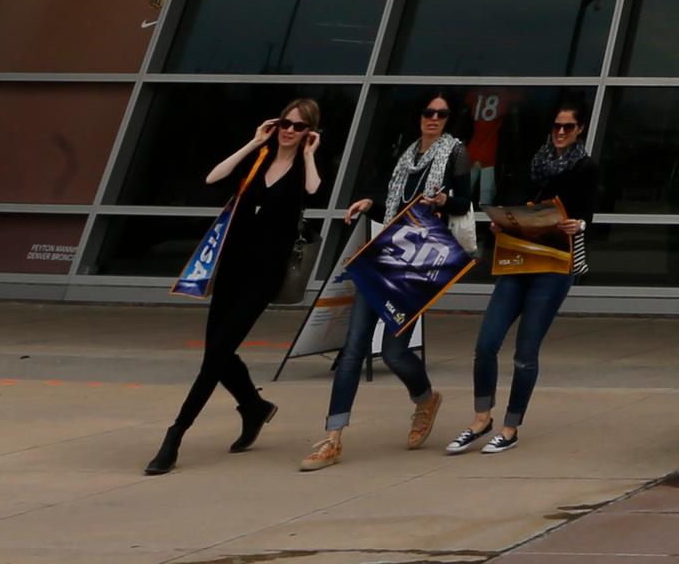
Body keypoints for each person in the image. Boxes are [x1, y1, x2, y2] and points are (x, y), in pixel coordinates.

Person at [148, 98, 322, 476]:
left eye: (299, 126)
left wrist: (309, 155)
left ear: (309, 132)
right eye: (285, 123)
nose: (289, 130)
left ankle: (175, 436)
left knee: (216, 356)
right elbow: (213, 177)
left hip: (264, 275)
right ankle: (254, 407)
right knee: (218, 351)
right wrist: (253, 142)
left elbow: (313, 192)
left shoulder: (302, 169)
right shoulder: (258, 158)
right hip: (232, 267)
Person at [303, 93, 463, 470]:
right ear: (419, 116)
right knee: (354, 347)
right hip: (385, 256)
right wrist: (368, 204)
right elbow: (397, 201)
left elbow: (466, 202)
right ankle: (333, 438)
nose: (433, 118)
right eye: (428, 112)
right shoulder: (407, 157)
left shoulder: (456, 153)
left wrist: (442, 201)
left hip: (418, 263)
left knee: (393, 353)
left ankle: (425, 400)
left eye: (441, 114)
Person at [447, 102, 595, 454]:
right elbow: (513, 200)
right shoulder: (535, 161)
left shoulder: (585, 166)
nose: (560, 132)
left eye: (568, 127)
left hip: (554, 264)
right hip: (519, 258)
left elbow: (588, 211)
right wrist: (502, 220)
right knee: (486, 343)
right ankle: (481, 419)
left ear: (580, 130)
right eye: (557, 126)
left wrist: (580, 224)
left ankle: (510, 427)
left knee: (526, 352)